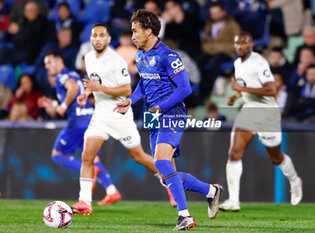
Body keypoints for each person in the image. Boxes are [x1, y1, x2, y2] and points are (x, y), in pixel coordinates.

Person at [116, 10, 222, 231]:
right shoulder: (141, 55)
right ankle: (211, 191)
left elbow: (185, 88)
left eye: (135, 31)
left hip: (171, 112)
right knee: (165, 175)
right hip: (153, 114)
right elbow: (144, 84)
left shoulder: (168, 55)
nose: (132, 36)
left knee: (162, 163)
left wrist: (161, 107)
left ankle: (184, 216)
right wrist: (130, 100)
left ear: (149, 31)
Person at [70, 23, 175, 215]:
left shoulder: (116, 60)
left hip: (120, 114)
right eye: (95, 35)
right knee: (87, 156)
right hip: (101, 114)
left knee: (139, 157)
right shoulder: (88, 57)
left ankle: (170, 183)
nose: (99, 38)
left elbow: (127, 89)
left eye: (102, 35)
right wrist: (87, 93)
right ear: (91, 39)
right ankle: (84, 202)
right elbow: (95, 81)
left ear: (109, 39)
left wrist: (98, 88)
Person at [219, 31, 303, 211]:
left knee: (275, 157)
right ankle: (233, 200)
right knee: (234, 152)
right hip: (250, 110)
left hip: (267, 113)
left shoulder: (259, 63)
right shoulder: (237, 63)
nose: (240, 46)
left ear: (251, 45)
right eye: (238, 43)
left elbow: (271, 90)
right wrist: (236, 96)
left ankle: (295, 181)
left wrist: (240, 87)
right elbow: (249, 86)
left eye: (244, 43)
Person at [40, 50, 122, 205]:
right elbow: (74, 96)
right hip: (90, 119)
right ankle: (112, 191)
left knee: (57, 154)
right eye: (45, 64)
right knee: (93, 157)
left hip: (77, 123)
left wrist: (62, 105)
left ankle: (90, 172)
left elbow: (73, 89)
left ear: (59, 61)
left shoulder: (62, 76)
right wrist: (56, 105)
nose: (47, 67)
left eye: (49, 62)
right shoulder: (74, 74)